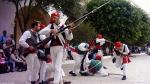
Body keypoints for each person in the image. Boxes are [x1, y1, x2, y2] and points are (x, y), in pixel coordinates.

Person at [39, 11, 73, 84]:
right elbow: (41, 32)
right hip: (52, 48)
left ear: (58, 17)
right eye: (53, 17)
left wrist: (69, 31)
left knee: (57, 67)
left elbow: (69, 38)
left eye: (55, 16)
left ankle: (56, 82)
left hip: (60, 47)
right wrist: (51, 30)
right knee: (55, 67)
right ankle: (60, 81)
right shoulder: (50, 25)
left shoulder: (63, 26)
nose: (54, 18)